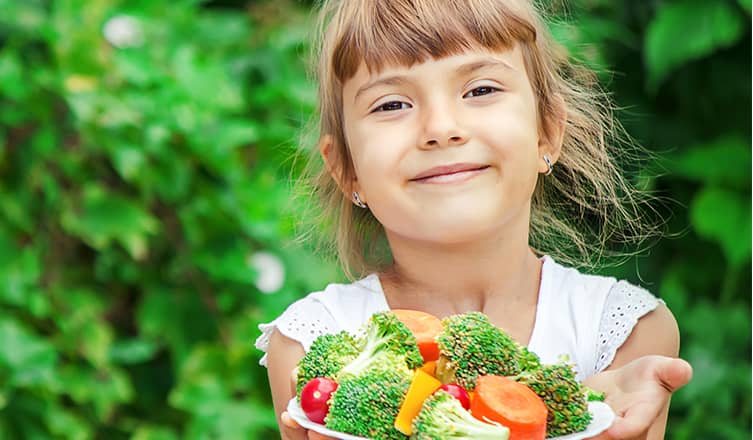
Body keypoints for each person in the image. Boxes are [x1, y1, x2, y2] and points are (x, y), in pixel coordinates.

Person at [254, 0, 693, 439]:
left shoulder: (621, 334)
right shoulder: (311, 341)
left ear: (548, 132)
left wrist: (585, 415)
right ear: (347, 169)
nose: (441, 127)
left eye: (480, 90)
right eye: (391, 104)